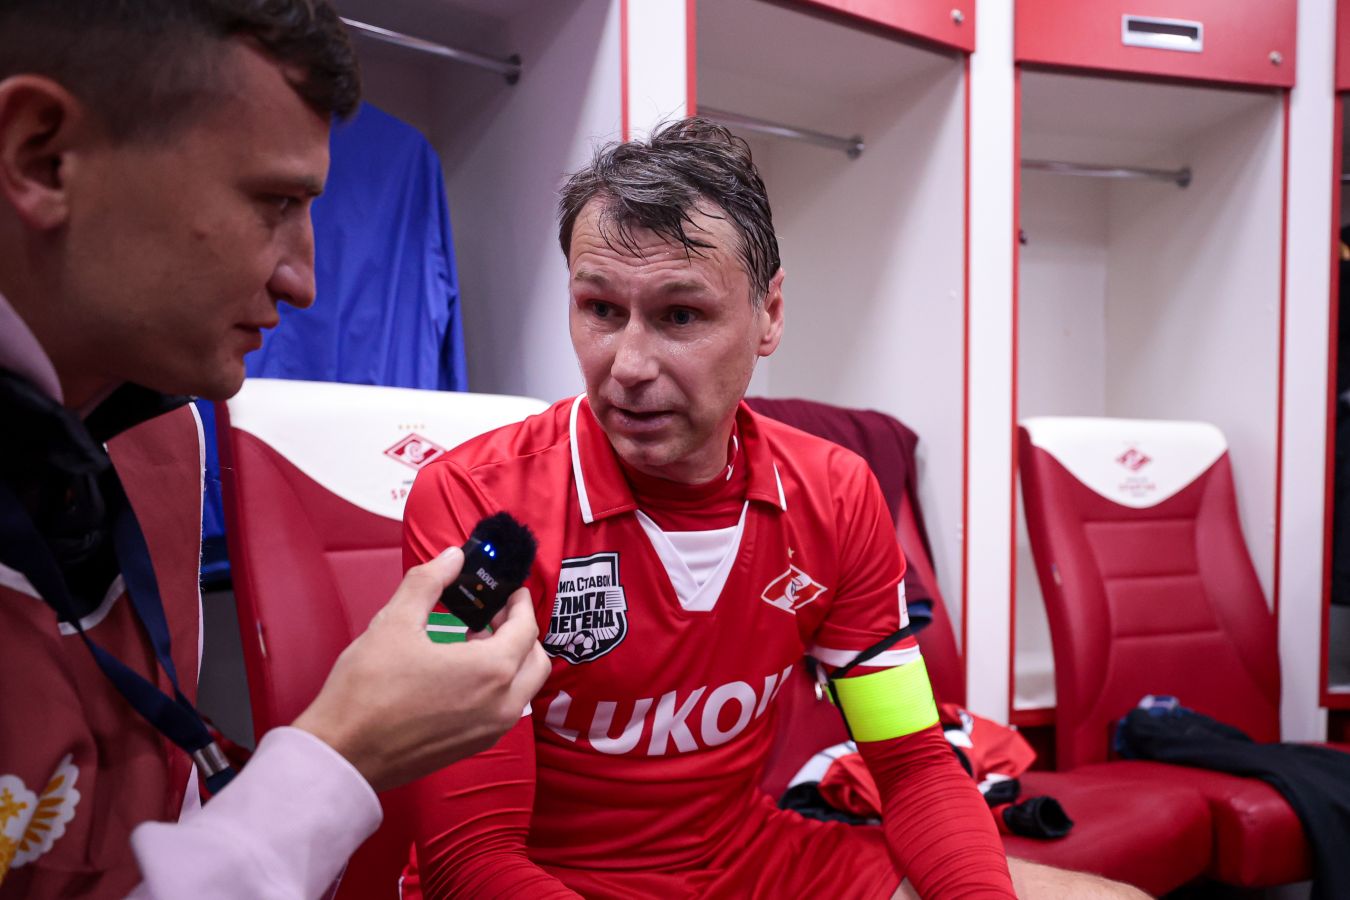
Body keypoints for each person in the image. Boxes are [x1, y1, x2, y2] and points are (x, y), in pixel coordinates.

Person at [400, 120, 1145, 898]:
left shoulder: (837, 495)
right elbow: (469, 857)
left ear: (770, 314)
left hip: (748, 866)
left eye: (680, 315)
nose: (629, 365)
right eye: (601, 309)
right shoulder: (473, 503)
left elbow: (911, 762)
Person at [0, 2, 550, 897]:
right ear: (41, 156)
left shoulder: (166, 434)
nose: (305, 281)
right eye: (275, 203)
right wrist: (343, 753)